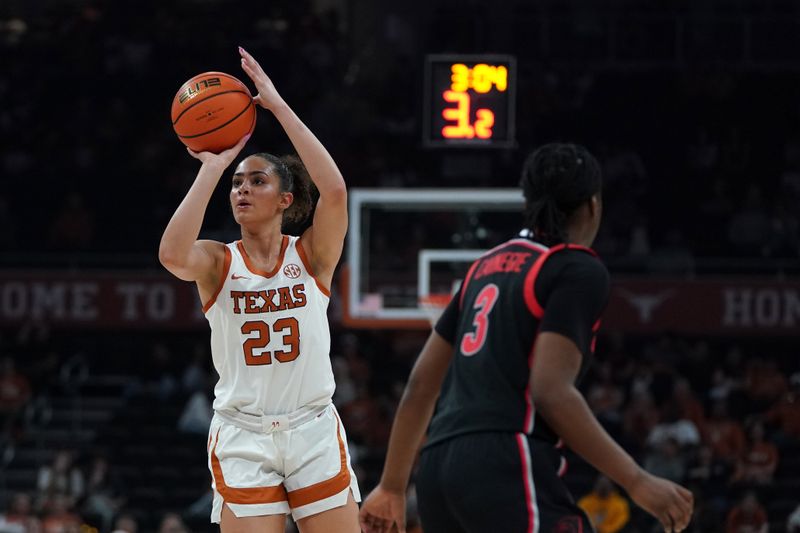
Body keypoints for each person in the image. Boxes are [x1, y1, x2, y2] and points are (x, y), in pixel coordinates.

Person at [359, 143, 693, 533]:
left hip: (437, 468)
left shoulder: (484, 267)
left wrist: (392, 485)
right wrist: (637, 481)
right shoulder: (575, 268)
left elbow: (420, 385)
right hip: (505, 458)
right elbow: (551, 391)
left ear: (528, 202)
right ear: (592, 206)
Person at [159, 47, 359, 532]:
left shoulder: (311, 257)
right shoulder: (218, 261)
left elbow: (333, 192)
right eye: (237, 183)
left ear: (286, 199)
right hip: (244, 436)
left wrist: (276, 105)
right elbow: (171, 255)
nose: (241, 189)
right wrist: (212, 166)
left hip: (312, 428)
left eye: (257, 180)